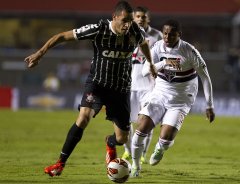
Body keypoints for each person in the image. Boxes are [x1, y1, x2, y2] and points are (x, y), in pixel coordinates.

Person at [24, 1, 157, 177]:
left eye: (130, 21)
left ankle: (109, 143)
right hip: (97, 83)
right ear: (114, 17)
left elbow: (144, 44)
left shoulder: (134, 31)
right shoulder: (98, 29)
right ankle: (60, 164)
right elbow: (62, 36)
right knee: (83, 117)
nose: (127, 24)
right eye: (124, 20)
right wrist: (39, 53)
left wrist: (151, 63)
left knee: (122, 138)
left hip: (120, 88)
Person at [130, 19, 215, 177]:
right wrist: (164, 63)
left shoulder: (189, 51)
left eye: (172, 34)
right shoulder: (157, 47)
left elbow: (205, 77)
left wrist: (209, 105)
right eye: (165, 34)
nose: (167, 37)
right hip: (159, 95)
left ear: (179, 35)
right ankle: (135, 167)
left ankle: (161, 148)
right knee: (141, 129)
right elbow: (144, 71)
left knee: (166, 137)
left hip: (180, 100)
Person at [121, 6, 162, 164]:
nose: (140, 19)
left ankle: (143, 153)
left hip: (149, 87)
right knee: (127, 122)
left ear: (148, 19)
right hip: (129, 85)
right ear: (133, 17)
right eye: (137, 16)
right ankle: (128, 152)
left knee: (146, 121)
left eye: (143, 17)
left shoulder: (157, 35)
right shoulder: (125, 33)